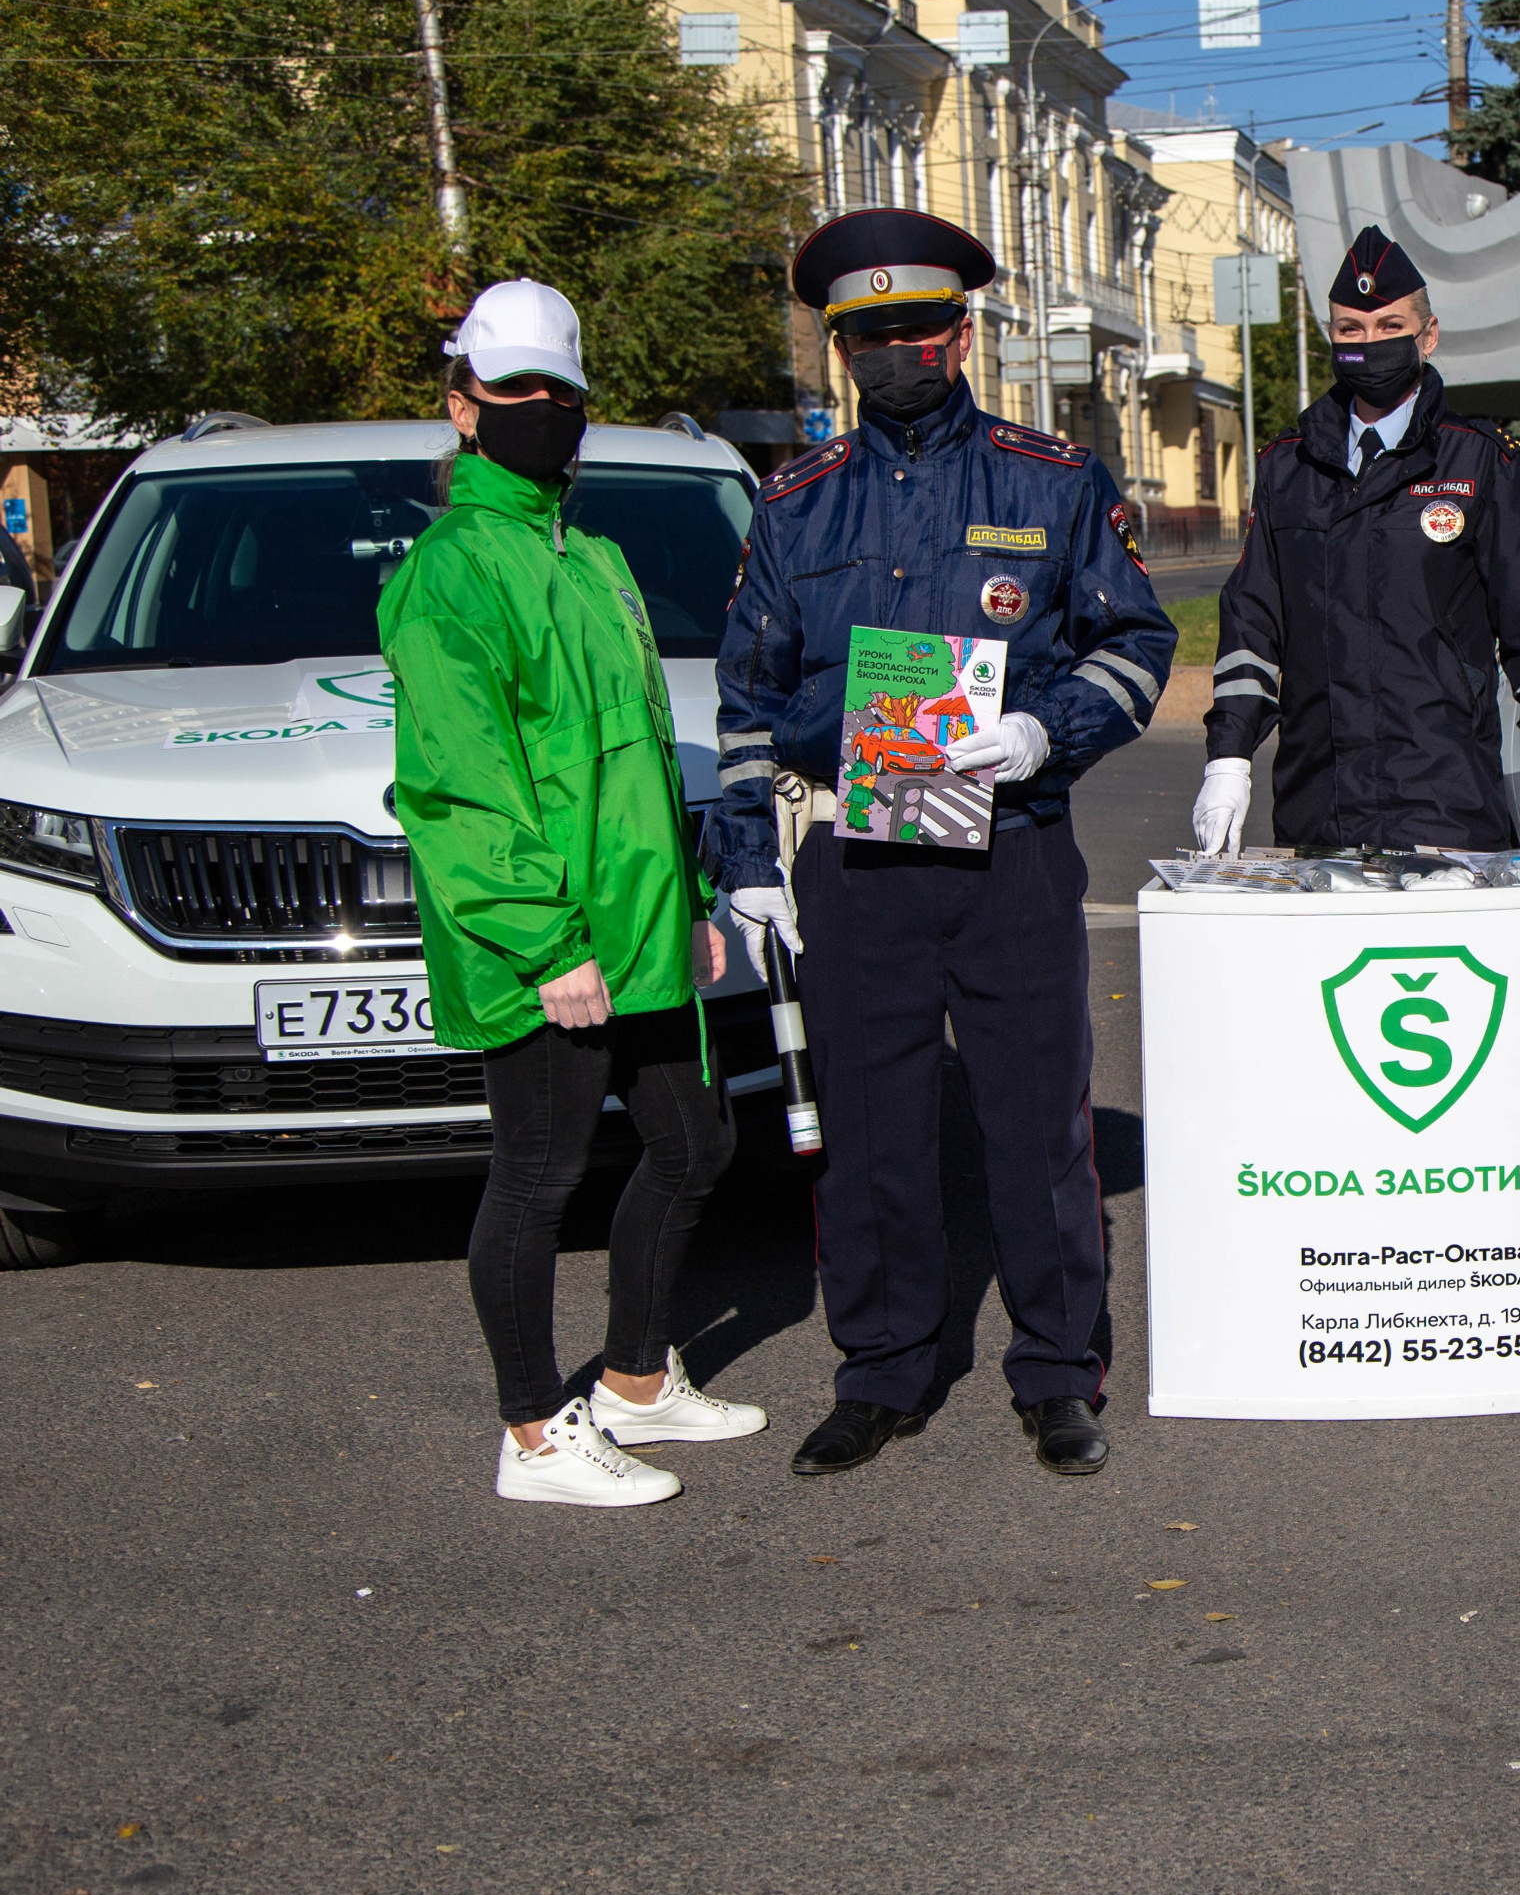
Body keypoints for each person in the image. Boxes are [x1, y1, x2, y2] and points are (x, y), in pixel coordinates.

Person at [709, 210, 1174, 1478]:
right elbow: (745, 697)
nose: (894, 353)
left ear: (961, 332)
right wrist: (747, 856)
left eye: (917, 329)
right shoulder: (799, 503)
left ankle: (1057, 1371)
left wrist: (1044, 729)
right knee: (870, 1130)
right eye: (866, 337)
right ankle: (883, 1368)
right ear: (840, 350)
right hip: (856, 862)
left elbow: (1136, 642)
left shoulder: (1051, 479)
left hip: (1011, 850)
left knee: (1037, 1126)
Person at [381, 278, 763, 1508]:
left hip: (643, 921)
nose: (544, 411)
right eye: (516, 392)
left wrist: (693, 898)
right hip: (545, 939)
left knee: (698, 1140)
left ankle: (638, 1381)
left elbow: (643, 759)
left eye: (562, 392)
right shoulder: (451, 573)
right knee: (538, 1176)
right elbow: (459, 786)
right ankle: (534, 1433)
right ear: (462, 407)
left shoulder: (592, 557)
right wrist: (546, 942)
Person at [1192, 225, 1520, 856]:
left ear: (1427, 337)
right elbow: (1252, 627)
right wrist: (1229, 761)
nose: (1369, 344)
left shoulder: (1480, 461)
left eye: (1389, 327)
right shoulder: (1287, 468)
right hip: (1318, 808)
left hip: (1447, 804)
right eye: (1350, 330)